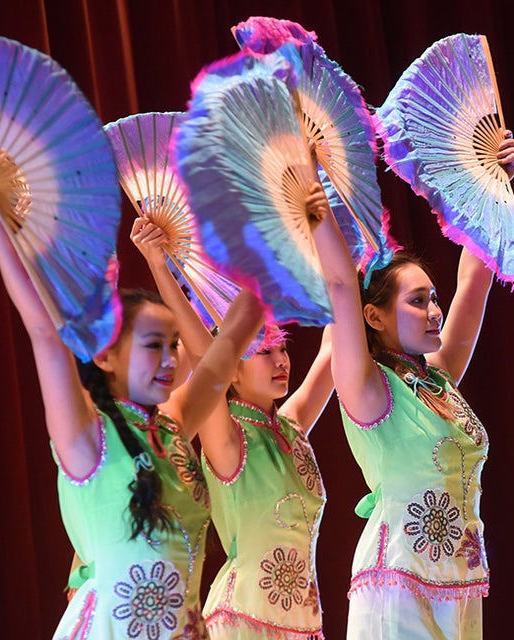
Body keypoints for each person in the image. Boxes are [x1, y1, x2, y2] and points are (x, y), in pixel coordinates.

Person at [0, 167, 265, 638]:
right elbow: (44, 331)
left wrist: (273, 232)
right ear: (105, 355)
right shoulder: (85, 433)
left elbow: (228, 347)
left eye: (173, 344)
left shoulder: (173, 426)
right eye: (152, 345)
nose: (168, 359)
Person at [308, 130, 514, 638]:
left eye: (432, 298)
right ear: (373, 317)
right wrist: (316, 207)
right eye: (417, 300)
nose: (434, 310)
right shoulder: (369, 389)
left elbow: (474, 278)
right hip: (397, 588)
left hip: (460, 586)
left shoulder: (439, 382)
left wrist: (495, 184)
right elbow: (340, 285)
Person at [130, 200, 335, 639]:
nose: (281, 360)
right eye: (264, 352)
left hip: (304, 625)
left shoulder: (293, 425)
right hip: (242, 622)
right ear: (233, 370)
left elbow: (336, 347)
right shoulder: (227, 435)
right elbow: (208, 355)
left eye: (282, 349)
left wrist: (328, 232)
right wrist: (160, 266)